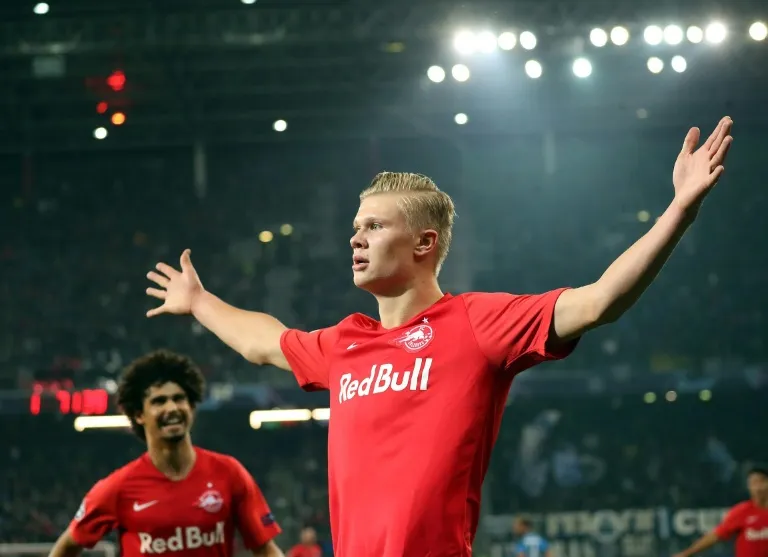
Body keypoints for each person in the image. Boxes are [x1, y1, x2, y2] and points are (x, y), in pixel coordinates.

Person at [145, 118, 733, 557]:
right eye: (355, 227)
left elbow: (600, 300)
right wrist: (199, 301)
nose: (355, 238)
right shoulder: (346, 343)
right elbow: (264, 342)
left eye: (375, 226)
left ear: (424, 243)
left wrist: (679, 209)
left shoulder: (477, 322)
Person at [48, 350, 284, 557]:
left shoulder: (229, 473)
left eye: (179, 398)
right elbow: (67, 546)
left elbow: (266, 551)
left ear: (191, 407)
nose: (171, 408)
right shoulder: (117, 488)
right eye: (159, 401)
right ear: (139, 414)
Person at [674, 464, 768, 557]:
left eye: (761, 482)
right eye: (753, 483)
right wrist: (687, 553)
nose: (758, 488)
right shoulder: (741, 511)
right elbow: (716, 536)